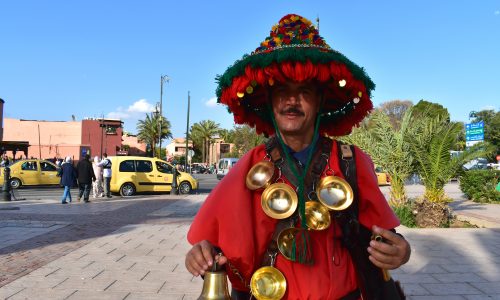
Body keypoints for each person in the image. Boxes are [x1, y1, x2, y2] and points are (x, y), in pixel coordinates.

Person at [185, 14, 411, 299]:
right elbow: (212, 244)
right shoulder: (249, 166)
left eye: (303, 92)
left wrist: (401, 251)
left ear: (319, 103)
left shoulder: (350, 160)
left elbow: (384, 236)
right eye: (282, 92)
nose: (292, 101)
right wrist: (199, 255)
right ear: (270, 103)